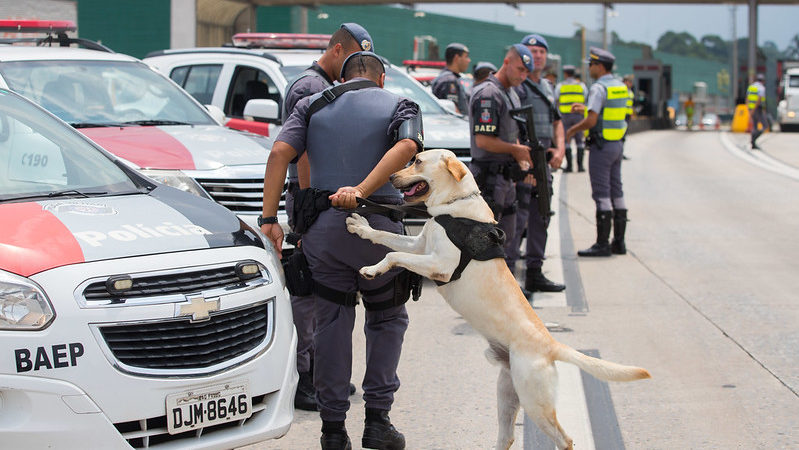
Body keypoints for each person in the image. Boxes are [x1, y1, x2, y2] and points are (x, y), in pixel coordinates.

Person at [261, 51, 422, 450]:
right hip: (377, 230)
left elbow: (281, 153)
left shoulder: (310, 104)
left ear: (343, 77)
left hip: (324, 232)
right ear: (381, 79)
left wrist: (269, 219)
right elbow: (407, 147)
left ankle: (332, 430)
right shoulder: (401, 104)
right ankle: (378, 422)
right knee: (387, 319)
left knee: (330, 323)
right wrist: (362, 190)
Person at [282, 22, 373, 412]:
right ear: (337, 51)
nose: (353, 67)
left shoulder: (324, 85)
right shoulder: (309, 88)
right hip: (312, 201)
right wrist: (309, 209)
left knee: (327, 295)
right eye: (351, 58)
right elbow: (303, 154)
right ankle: (306, 379)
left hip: (322, 201)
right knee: (309, 297)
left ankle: (323, 374)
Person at [508, 33, 566, 294]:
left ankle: (534, 272)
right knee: (517, 219)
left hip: (544, 159)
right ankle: (509, 278)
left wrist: (561, 149)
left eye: (542, 51)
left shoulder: (548, 87)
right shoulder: (517, 87)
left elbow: (557, 121)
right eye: (532, 51)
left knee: (541, 215)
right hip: (524, 160)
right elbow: (513, 126)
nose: (538, 55)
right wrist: (525, 163)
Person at [467, 44, 534, 271]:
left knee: (509, 238)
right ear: (506, 62)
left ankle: (508, 290)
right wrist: (516, 151)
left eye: (526, 72)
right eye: (520, 69)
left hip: (506, 179)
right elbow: (483, 141)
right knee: (487, 243)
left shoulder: (512, 93)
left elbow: (511, 134)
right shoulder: (489, 93)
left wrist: (522, 158)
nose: (523, 75)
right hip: (489, 178)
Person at [565, 47, 629, 258]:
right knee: (616, 191)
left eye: (591, 65)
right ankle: (619, 243)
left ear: (599, 66)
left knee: (601, 194)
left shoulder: (599, 88)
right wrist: (584, 108)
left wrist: (572, 130)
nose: (590, 68)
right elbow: (608, 113)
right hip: (617, 144)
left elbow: (593, 121)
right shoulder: (620, 86)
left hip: (601, 147)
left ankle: (602, 244)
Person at [555, 64, 588, 172]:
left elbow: (556, 99)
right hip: (579, 116)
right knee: (580, 141)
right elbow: (586, 98)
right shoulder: (581, 86)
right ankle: (580, 166)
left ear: (565, 74)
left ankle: (569, 166)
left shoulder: (560, 86)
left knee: (566, 140)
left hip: (565, 116)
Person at [431, 43, 471, 114]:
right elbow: (453, 111)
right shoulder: (449, 81)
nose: (469, 60)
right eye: (466, 56)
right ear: (456, 58)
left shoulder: (446, 77)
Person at [748, 73, 767, 150]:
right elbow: (759, 100)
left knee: (755, 126)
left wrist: (749, 110)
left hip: (751, 109)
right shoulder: (761, 88)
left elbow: (747, 99)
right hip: (758, 109)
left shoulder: (751, 87)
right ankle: (753, 139)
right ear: (762, 81)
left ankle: (753, 143)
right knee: (765, 125)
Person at [621, 74, 635, 160]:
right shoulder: (621, 91)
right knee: (620, 136)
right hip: (621, 116)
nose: (630, 84)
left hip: (627, 116)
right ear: (625, 82)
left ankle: (621, 153)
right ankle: (619, 153)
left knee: (623, 136)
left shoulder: (630, 92)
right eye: (629, 82)